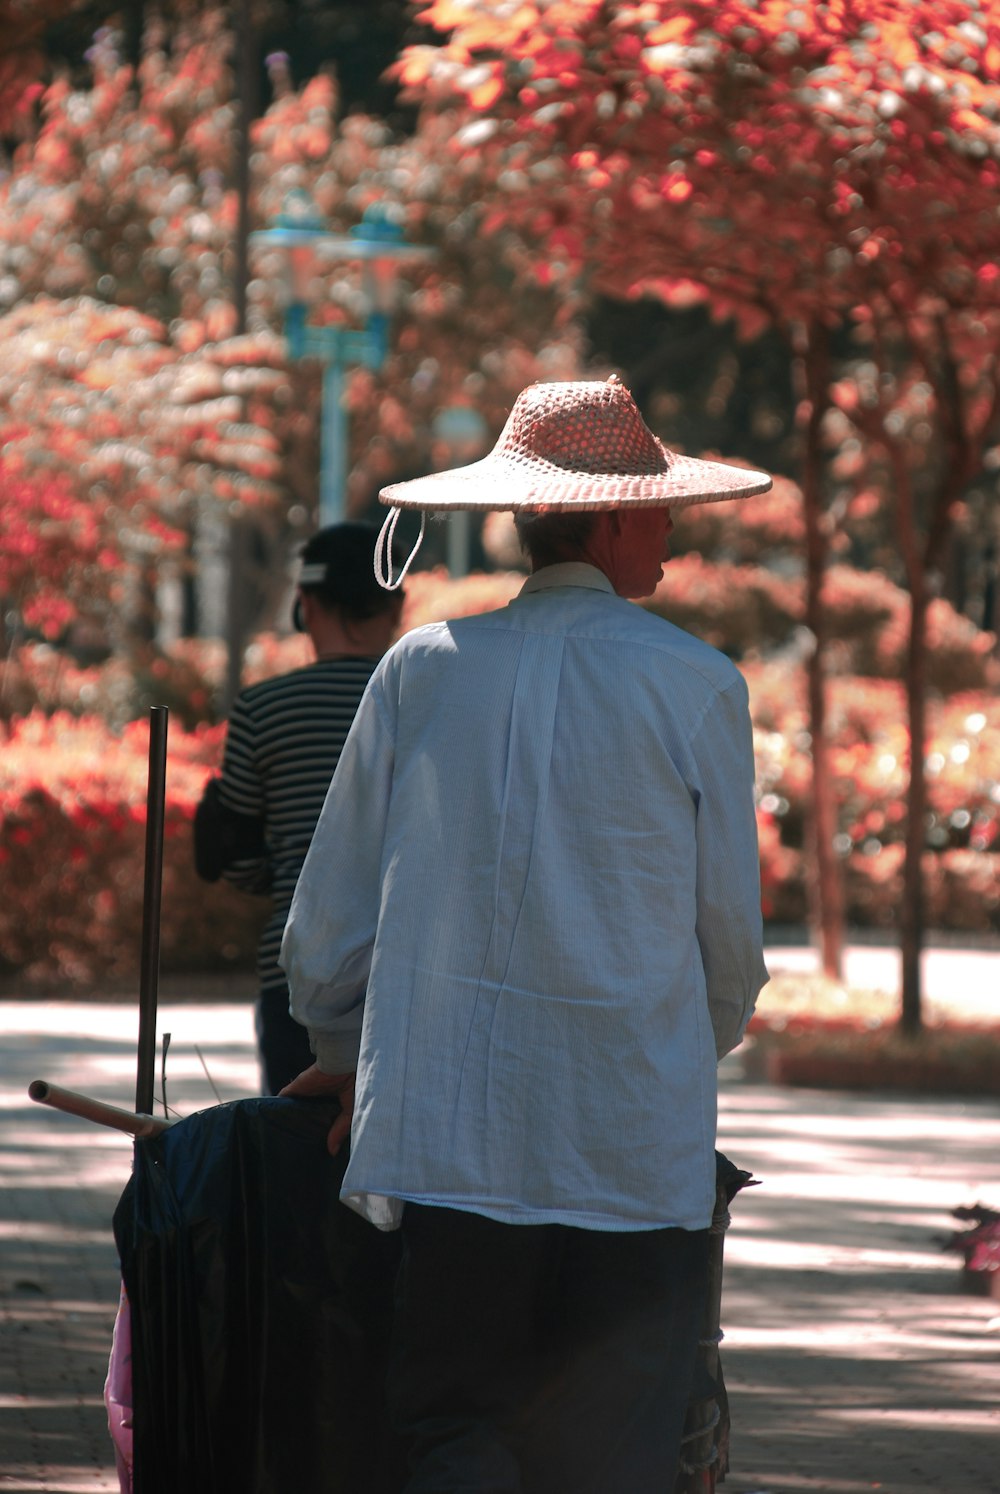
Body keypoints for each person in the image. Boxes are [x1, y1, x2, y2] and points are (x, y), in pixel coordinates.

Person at [279, 376, 771, 1492]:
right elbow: (725, 940)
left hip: (455, 1134)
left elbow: (337, 906)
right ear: (604, 517)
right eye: (657, 508)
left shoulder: (424, 670)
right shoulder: (696, 685)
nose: (671, 534)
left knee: (455, 1425)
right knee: (616, 1448)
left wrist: (346, 1052)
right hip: (628, 1143)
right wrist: (686, 1047)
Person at [196, 521, 403, 1095]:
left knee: (297, 1164)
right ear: (397, 604)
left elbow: (233, 858)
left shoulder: (263, 709)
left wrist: (292, 874)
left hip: (298, 976)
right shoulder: (429, 702)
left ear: (305, 605)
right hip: (418, 971)